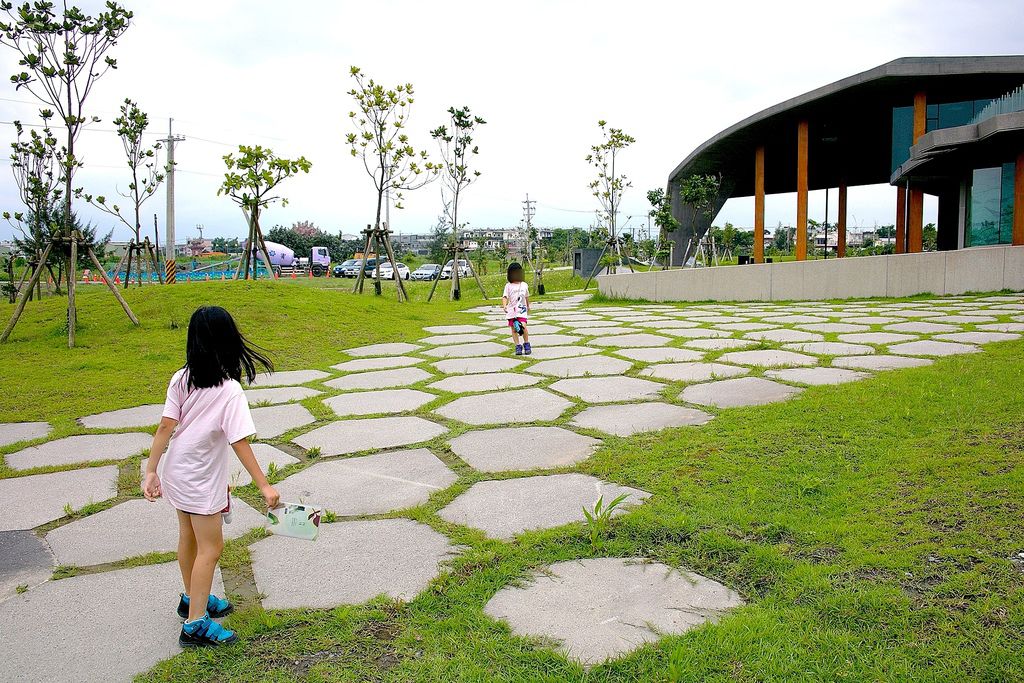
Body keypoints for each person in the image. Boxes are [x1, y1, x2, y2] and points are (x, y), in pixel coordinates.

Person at [143, 306, 280, 648]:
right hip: (199, 479)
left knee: (188, 536)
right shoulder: (229, 389)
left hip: (177, 471)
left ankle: (192, 599)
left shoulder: (181, 377)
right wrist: (264, 484)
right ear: (228, 341)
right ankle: (195, 626)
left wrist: (151, 470)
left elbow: (165, 427)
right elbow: (239, 441)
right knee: (211, 548)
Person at [502, 262, 531, 355]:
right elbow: (505, 297)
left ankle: (526, 343)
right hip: (512, 311)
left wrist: (528, 306)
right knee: (514, 329)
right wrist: (504, 306)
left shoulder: (524, 285)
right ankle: (518, 346)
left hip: (522, 310)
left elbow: (526, 296)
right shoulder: (508, 286)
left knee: (523, 327)